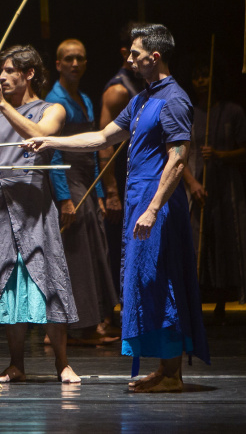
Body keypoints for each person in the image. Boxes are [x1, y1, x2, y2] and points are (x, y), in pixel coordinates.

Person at [26, 24, 209, 393]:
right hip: (140, 200)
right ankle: (164, 367)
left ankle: (172, 373)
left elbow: (178, 158)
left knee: (163, 279)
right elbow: (102, 137)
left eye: (136, 55)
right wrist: (51, 140)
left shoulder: (174, 99)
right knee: (146, 282)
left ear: (154, 57)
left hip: (158, 203)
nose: (130, 60)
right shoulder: (141, 100)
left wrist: (153, 209)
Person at [0, 45, 80, 383]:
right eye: (1, 71)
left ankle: (62, 363)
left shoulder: (52, 109)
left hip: (34, 205)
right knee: (9, 285)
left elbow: (39, 134)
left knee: (47, 277)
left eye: (9, 71)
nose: (2, 77)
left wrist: (3, 105)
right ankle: (16, 363)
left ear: (29, 73)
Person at [46, 39, 119, 344]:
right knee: (77, 252)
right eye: (69, 59)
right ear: (58, 64)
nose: (74, 64)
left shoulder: (86, 99)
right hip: (68, 178)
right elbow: (52, 152)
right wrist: (64, 198)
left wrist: (100, 191)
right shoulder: (55, 101)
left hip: (87, 179)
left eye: (80, 58)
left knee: (93, 247)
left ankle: (93, 321)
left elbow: (93, 150)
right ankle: (76, 327)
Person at [181, 61, 246, 322]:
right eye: (196, 76)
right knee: (196, 240)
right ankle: (194, 298)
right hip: (196, 185)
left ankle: (224, 298)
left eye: (205, 75)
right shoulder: (188, 113)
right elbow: (178, 154)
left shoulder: (232, 111)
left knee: (225, 238)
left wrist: (220, 155)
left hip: (226, 187)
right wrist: (192, 182)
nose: (201, 81)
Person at [99, 22, 146, 294]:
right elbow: (104, 145)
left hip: (143, 177)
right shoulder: (118, 90)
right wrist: (112, 193)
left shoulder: (147, 84)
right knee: (123, 247)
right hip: (123, 179)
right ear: (125, 52)